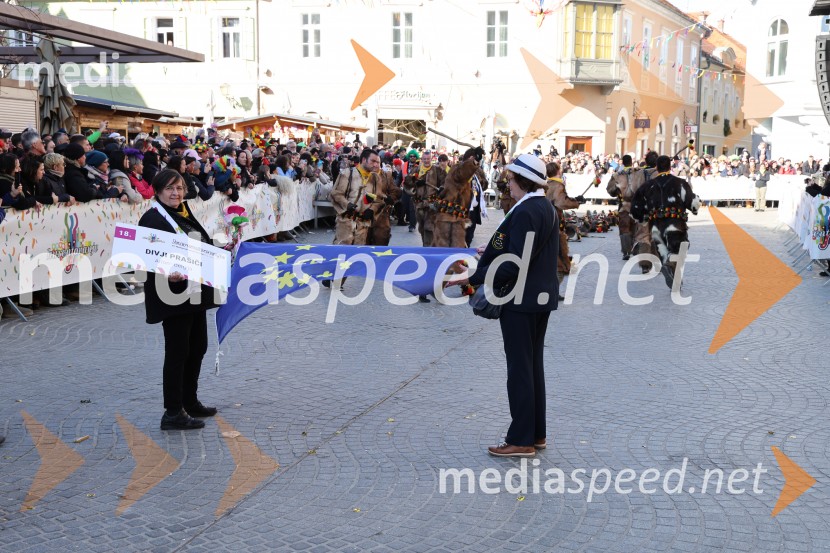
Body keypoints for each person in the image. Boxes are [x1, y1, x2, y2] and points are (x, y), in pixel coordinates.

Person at [449, 153, 559, 457]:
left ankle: (521, 439)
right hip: (539, 297)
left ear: (522, 180)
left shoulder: (526, 211)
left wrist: (474, 276)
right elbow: (521, 249)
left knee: (520, 370)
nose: (507, 184)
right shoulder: (543, 206)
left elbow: (515, 263)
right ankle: (536, 434)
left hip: (521, 300)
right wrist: (491, 251)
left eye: (510, 179)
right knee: (532, 366)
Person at [138, 169, 219, 431]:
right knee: (177, 352)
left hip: (193, 290)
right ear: (158, 191)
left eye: (180, 188)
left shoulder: (182, 210)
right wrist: (164, 272)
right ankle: (172, 412)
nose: (176, 193)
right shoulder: (152, 218)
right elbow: (142, 258)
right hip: (171, 296)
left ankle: (189, 400)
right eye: (170, 189)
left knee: (198, 347)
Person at [631, 155, 700, 288]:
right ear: (670, 166)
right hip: (675, 225)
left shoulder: (647, 186)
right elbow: (692, 202)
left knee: (663, 252)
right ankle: (671, 267)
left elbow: (636, 207)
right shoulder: (680, 183)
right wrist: (695, 206)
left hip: (656, 227)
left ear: (657, 168)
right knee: (679, 250)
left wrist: (642, 218)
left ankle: (674, 278)